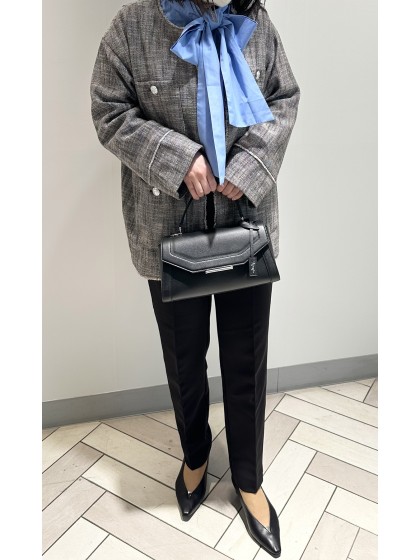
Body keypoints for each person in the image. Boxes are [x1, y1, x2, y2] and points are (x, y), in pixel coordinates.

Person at [90, 0, 300, 556]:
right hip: (166, 228)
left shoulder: (257, 23)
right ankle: (196, 455)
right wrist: (179, 159)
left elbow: (284, 98)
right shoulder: (131, 27)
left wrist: (249, 165)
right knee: (183, 357)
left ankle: (249, 478)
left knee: (247, 356)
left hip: (247, 222)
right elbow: (109, 111)